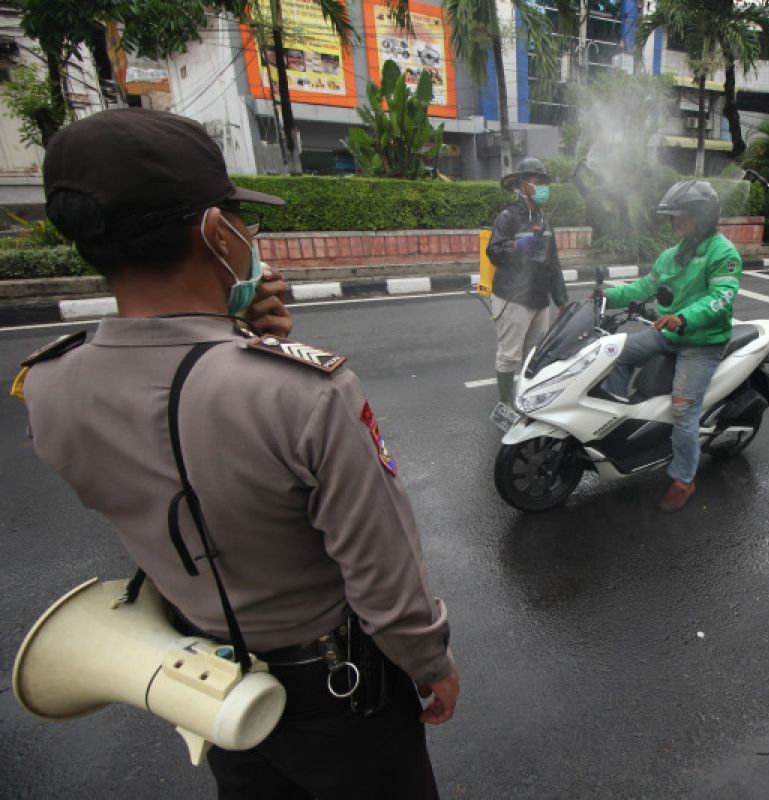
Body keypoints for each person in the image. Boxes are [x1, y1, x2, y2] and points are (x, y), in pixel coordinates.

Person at [14, 108, 458, 797]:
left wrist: (232, 335)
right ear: (216, 232)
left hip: (210, 684)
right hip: (337, 691)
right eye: (243, 221)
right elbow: (383, 576)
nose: (251, 235)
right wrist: (430, 662)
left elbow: (171, 465)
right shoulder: (304, 391)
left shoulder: (46, 386)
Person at [600, 180, 742, 513]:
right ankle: (617, 424)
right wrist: (606, 296)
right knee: (615, 354)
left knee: (683, 409)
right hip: (668, 334)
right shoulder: (673, 254)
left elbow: (721, 298)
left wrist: (682, 317)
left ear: (703, 217)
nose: (676, 223)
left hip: (702, 343)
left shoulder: (724, 253)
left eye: (682, 216)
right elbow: (645, 287)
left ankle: (684, 479)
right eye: (673, 217)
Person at [485, 156, 568, 406]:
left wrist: (561, 300)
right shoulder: (508, 217)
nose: (542, 186)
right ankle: (505, 404)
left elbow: (553, 263)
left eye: (544, 181)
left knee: (534, 355)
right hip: (513, 298)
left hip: (539, 300)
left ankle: (526, 400)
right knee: (509, 357)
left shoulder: (545, 220)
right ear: (522, 186)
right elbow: (494, 251)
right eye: (536, 181)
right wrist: (522, 243)